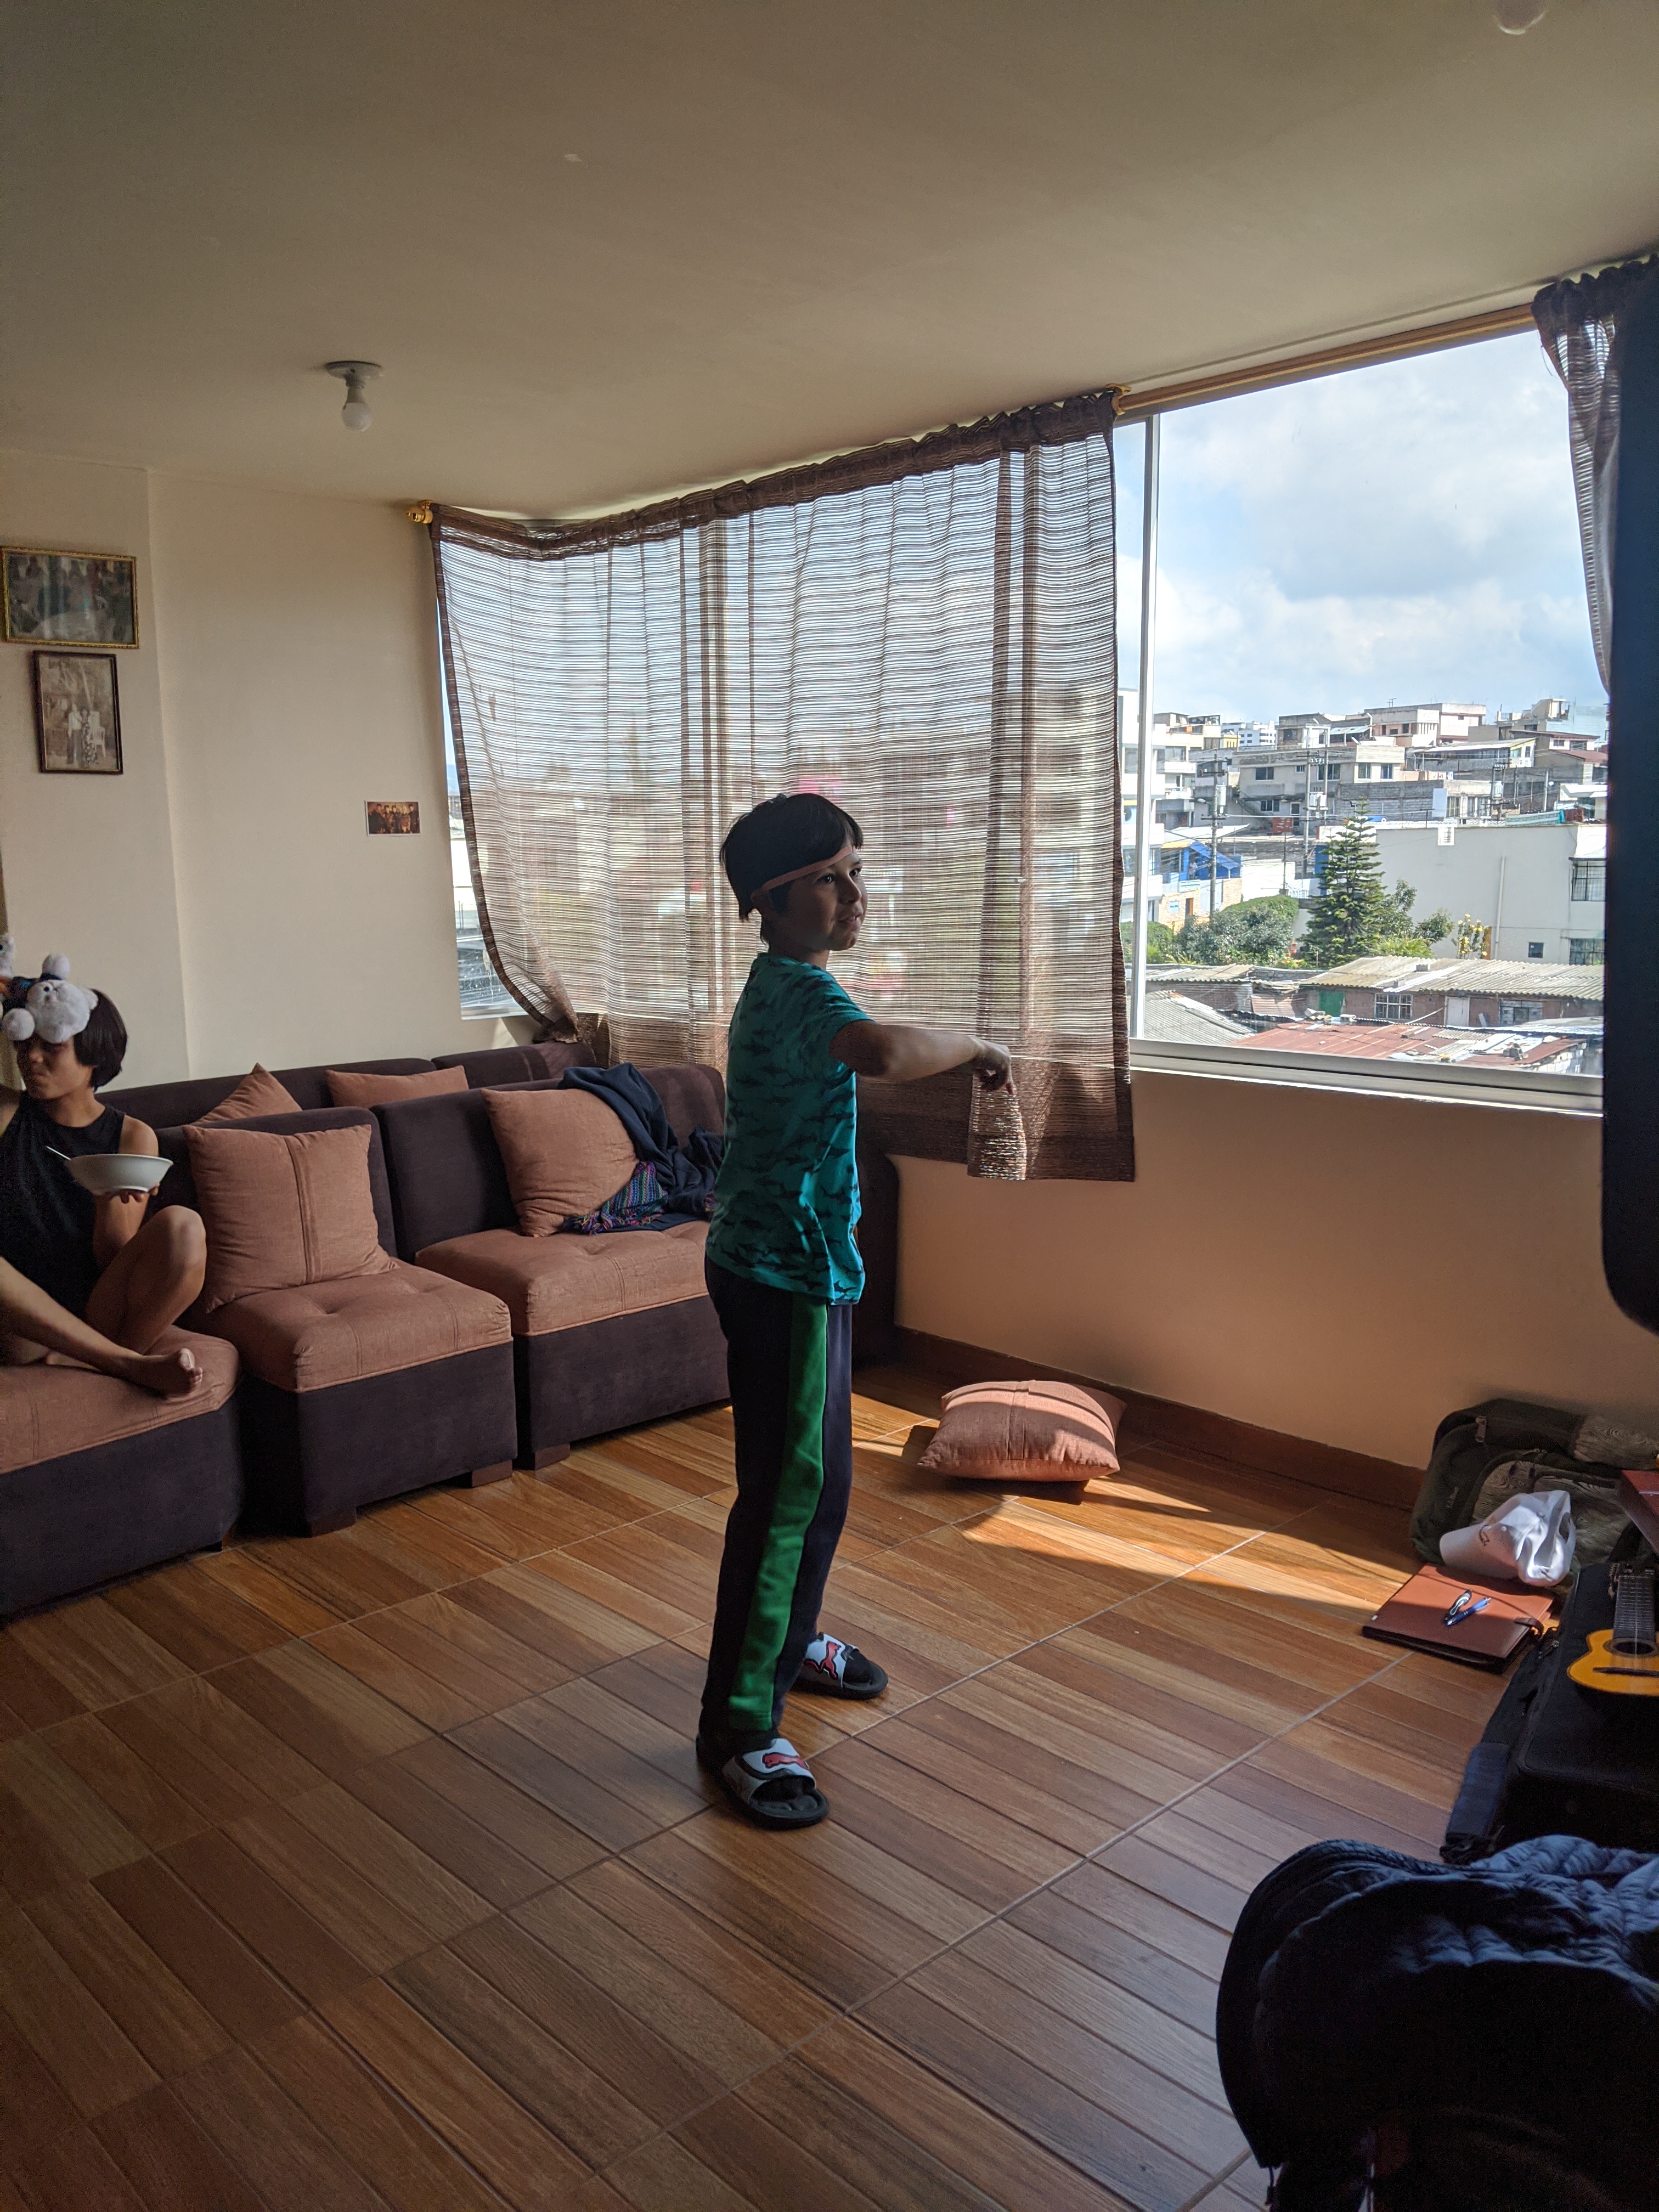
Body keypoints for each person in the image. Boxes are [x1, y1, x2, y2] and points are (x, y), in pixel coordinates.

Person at [699, 792, 1012, 1829]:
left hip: (801, 1271)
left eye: (856, 872)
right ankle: (740, 1725)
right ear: (771, 899)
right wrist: (977, 1043)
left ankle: (789, 1640)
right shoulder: (795, 991)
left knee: (819, 1486)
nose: (854, 894)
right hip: (780, 1275)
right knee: (787, 1495)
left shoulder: (796, 985)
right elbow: (878, 1052)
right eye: (830, 878)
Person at [0, 988, 207, 1381]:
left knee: (184, 1225)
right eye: (26, 1044)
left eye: (51, 1046)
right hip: (23, 1321)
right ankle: (124, 1365)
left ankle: (107, 1356)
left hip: (99, 1310)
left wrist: (108, 1202)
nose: (32, 1058)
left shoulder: (133, 1136)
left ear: (94, 1054)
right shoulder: (7, 1112)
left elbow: (114, 1260)